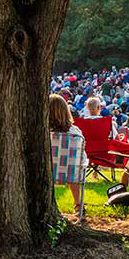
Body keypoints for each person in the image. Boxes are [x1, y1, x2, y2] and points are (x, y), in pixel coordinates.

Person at [49, 93, 87, 224]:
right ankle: (78, 204)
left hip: (48, 173)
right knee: (73, 166)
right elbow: (82, 157)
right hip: (70, 174)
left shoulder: (44, 133)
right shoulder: (75, 133)